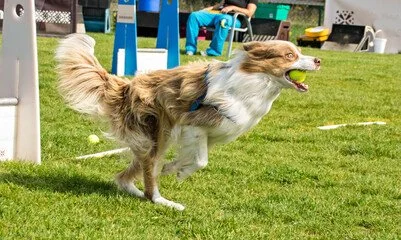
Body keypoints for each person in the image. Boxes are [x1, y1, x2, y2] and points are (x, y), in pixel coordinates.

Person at [185, 0, 258, 56]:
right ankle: (190, 49)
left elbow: (250, 12)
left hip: (235, 19)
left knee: (223, 20)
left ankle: (213, 51)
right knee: (194, 16)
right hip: (218, 14)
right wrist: (205, 10)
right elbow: (219, 6)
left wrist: (233, 8)